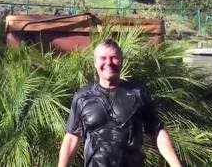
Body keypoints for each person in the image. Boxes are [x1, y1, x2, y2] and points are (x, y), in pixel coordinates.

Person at [58, 39, 182, 167]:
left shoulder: (138, 93)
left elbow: (157, 132)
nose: (109, 62)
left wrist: (176, 165)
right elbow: (72, 137)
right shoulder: (82, 97)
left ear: (121, 60)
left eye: (114, 58)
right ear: (95, 63)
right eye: (103, 58)